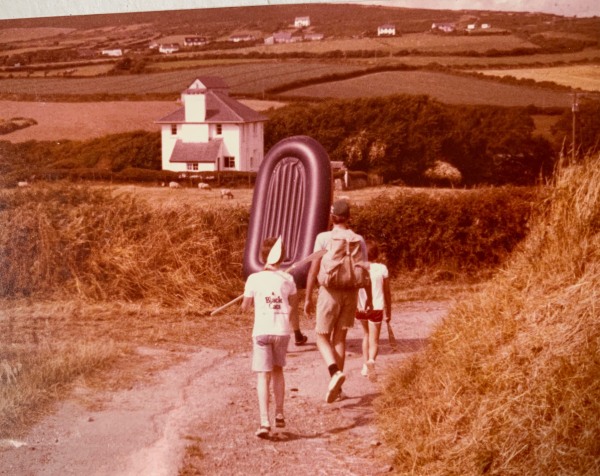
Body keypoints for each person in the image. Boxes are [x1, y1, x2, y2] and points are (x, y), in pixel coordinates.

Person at [304, 199, 372, 403]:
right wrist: (367, 297)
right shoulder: (358, 239)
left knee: (321, 336)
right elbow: (364, 267)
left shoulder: (323, 238)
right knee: (339, 339)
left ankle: (334, 373)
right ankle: (339, 389)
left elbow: (314, 268)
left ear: (332, 217)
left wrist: (307, 297)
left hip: (329, 292)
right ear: (349, 218)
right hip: (351, 292)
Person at [241, 237, 298, 438]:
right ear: (281, 257)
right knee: (278, 371)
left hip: (262, 331)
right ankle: (280, 413)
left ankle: (265, 422)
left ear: (262, 256)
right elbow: (292, 303)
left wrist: (248, 299)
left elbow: (244, 307)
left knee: (262, 376)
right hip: (281, 331)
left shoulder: (254, 279)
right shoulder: (288, 280)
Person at [356, 240, 391, 382]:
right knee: (374, 340)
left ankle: (365, 366)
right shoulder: (382, 268)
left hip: (361, 308)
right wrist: (389, 311)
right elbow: (387, 292)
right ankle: (371, 361)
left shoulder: (357, 268)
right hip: (376, 308)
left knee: (365, 334)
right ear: (376, 254)